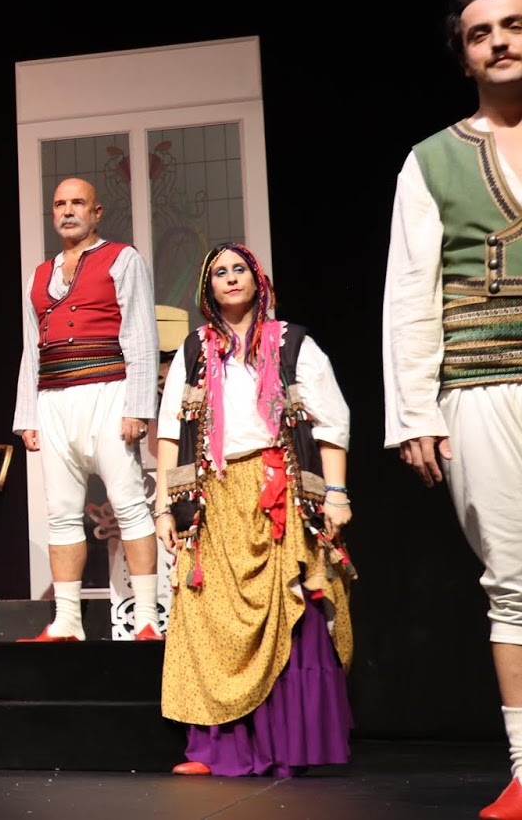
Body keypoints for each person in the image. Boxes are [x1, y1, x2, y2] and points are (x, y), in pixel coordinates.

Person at [384, 0, 522, 819]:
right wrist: (415, 413)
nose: (501, 41)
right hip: (483, 385)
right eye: (482, 33)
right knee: (515, 581)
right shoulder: (432, 161)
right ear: (464, 56)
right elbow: (411, 294)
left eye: (513, 24)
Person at [154, 244, 356, 776]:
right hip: (215, 497)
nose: (230, 278)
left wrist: (336, 493)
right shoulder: (195, 351)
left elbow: (331, 423)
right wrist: (164, 507)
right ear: (208, 289)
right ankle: (217, 748)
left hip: (278, 490)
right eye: (219, 273)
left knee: (288, 607)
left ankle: (287, 745)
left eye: (238, 269)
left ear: (257, 279)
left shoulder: (293, 344)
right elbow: (170, 433)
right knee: (211, 619)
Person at [13, 176, 162, 641]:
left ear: (96, 213)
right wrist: (27, 416)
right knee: (60, 511)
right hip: (55, 399)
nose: (67, 210)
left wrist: (138, 406)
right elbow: (32, 350)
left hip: (108, 391)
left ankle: (146, 619)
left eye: (78, 203)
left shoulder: (122, 259)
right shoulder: (39, 275)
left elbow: (140, 334)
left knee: (129, 503)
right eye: (60, 204)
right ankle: (68, 621)